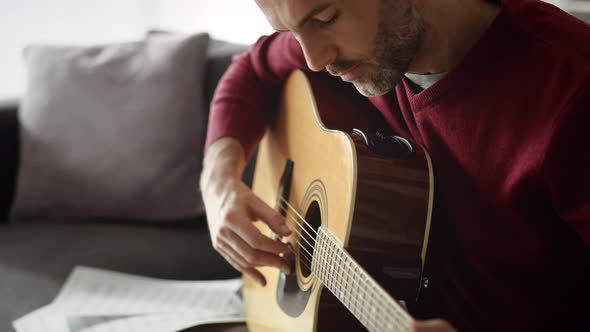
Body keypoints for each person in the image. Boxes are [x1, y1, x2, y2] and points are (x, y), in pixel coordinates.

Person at [199, 0, 590, 330]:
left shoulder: (572, 94)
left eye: (325, 19)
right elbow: (250, 70)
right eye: (291, 30)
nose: (315, 60)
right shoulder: (361, 54)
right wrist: (219, 184)